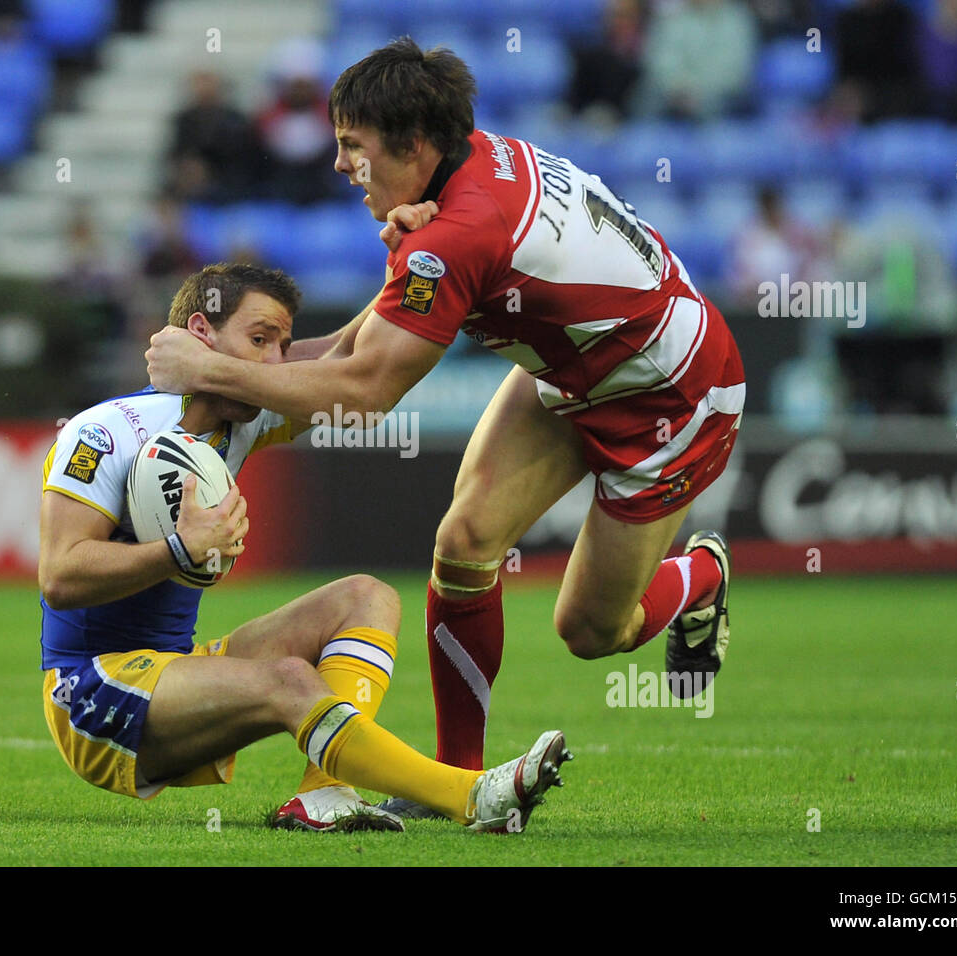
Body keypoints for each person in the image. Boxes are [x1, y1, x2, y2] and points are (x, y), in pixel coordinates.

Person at [144, 38, 745, 818]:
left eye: (352, 147)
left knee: (593, 631)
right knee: (463, 545)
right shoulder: (461, 178)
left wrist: (214, 373)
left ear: (415, 145)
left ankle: (701, 576)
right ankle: (464, 781)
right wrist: (230, 373)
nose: (339, 166)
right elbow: (361, 347)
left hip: (673, 397)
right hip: (575, 368)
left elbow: (361, 397)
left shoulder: (456, 231)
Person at [39, 262, 570, 832]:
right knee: (291, 679)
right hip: (92, 691)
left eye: (283, 346)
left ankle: (324, 795)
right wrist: (178, 549)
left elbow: (348, 355)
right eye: (260, 339)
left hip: (177, 669)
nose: (274, 363)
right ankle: (471, 796)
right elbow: (61, 578)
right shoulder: (102, 434)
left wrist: (420, 266)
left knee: (367, 597)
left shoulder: (243, 417)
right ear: (201, 334)